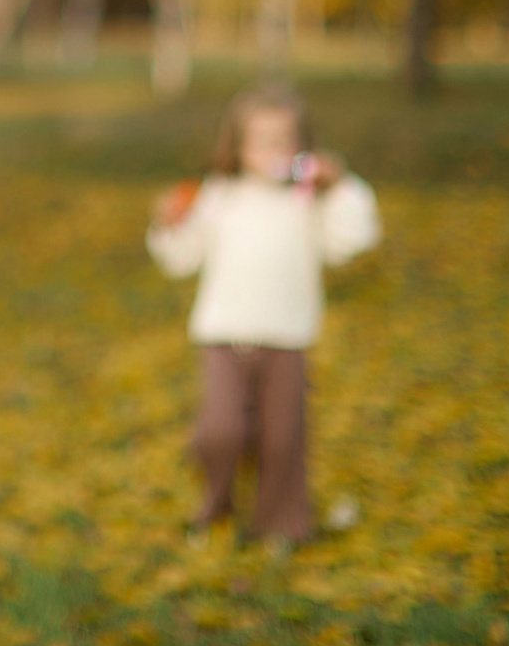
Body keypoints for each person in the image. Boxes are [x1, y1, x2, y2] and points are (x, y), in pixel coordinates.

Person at [147, 84, 380, 547]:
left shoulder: (310, 200)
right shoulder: (219, 196)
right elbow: (181, 258)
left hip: (287, 338)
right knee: (220, 432)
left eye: (284, 140)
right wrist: (167, 224)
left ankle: (282, 525)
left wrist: (340, 186)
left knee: (282, 440)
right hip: (224, 337)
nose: (273, 150)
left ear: (303, 145)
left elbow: (353, 240)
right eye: (261, 141)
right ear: (238, 146)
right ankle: (215, 510)